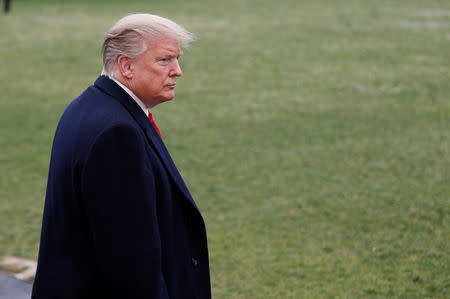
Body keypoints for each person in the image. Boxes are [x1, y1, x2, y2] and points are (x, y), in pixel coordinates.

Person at [32, 13, 211, 299]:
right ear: (126, 66)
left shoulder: (87, 107)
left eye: (177, 59)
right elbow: (132, 264)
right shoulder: (116, 134)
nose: (177, 70)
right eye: (164, 60)